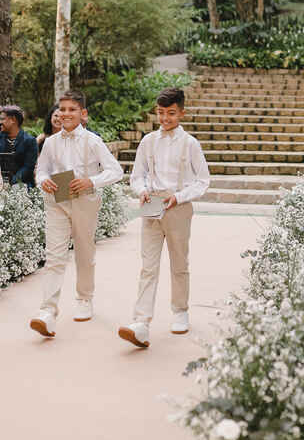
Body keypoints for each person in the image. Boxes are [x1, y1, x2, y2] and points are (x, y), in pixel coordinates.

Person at [119, 88, 210, 348]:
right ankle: (141, 322)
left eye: (171, 113)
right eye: (161, 113)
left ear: (181, 112)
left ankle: (180, 311)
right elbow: (137, 175)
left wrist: (179, 197)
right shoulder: (148, 141)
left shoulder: (190, 143)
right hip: (152, 206)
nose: (165, 118)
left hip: (178, 207)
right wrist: (142, 190)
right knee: (148, 266)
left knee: (179, 263)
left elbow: (203, 181)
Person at [29, 90, 123, 338]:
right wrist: (43, 181)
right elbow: (42, 170)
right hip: (57, 202)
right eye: (63, 109)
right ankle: (47, 311)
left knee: (84, 252)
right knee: (54, 255)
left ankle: (84, 299)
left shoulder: (92, 141)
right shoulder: (50, 142)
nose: (66, 114)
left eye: (72, 109)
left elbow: (116, 171)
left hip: (85, 202)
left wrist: (91, 181)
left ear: (84, 114)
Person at [0, 105, 38, 187]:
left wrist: (11, 183)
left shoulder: (29, 141)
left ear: (13, 120)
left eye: (2, 119)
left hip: (22, 184)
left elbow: (28, 168)